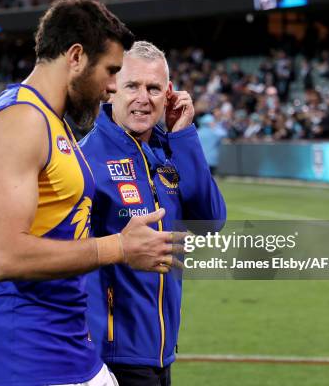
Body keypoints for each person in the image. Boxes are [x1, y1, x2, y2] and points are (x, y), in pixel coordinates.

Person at [0, 0, 184, 386]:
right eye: (111, 70)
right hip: (25, 354)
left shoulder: (53, 123)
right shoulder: (21, 121)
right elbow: (4, 256)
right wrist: (119, 248)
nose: (112, 86)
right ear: (77, 57)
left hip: (68, 346)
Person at [80, 41, 227, 386]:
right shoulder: (85, 159)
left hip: (161, 351)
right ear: (112, 88)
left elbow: (210, 221)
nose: (143, 98)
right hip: (112, 356)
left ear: (169, 94)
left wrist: (185, 135)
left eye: (153, 88)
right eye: (132, 85)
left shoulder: (169, 151)